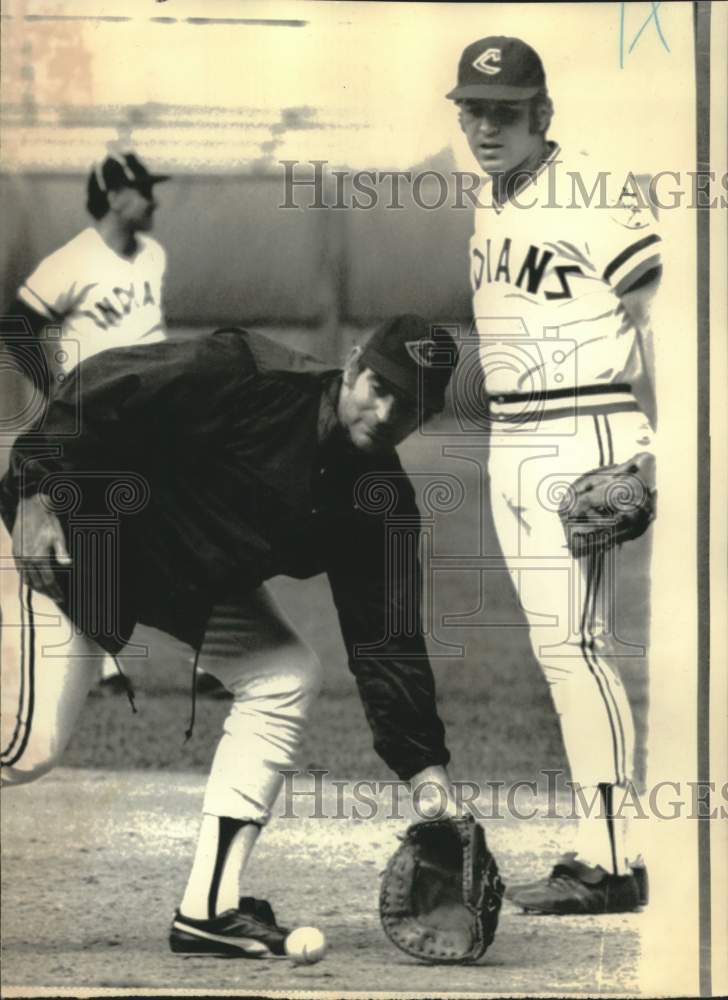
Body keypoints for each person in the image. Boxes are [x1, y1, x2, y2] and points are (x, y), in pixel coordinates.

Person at [0, 314, 459, 956]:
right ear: (353, 364)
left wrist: (433, 791)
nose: (385, 413)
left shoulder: (376, 504)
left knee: (284, 675)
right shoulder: (247, 376)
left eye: (408, 406)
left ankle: (207, 910)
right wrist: (32, 491)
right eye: (379, 386)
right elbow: (99, 385)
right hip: (65, 543)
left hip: (166, 574)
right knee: (27, 746)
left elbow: (388, 645)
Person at [446, 36, 660, 914]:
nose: (486, 126)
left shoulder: (593, 193)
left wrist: (652, 451)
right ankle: (598, 850)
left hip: (586, 428)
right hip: (511, 439)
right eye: (473, 110)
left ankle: (613, 864)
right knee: (558, 648)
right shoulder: (490, 202)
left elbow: (664, 314)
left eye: (504, 110)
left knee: (579, 647)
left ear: (542, 113)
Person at [1, 149, 170, 695]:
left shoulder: (153, 256)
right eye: (144, 189)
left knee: (175, 525)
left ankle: (212, 653)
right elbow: (17, 326)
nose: (153, 198)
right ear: (115, 196)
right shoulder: (73, 261)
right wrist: (55, 391)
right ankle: (99, 663)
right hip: (95, 419)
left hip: (151, 417)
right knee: (97, 533)